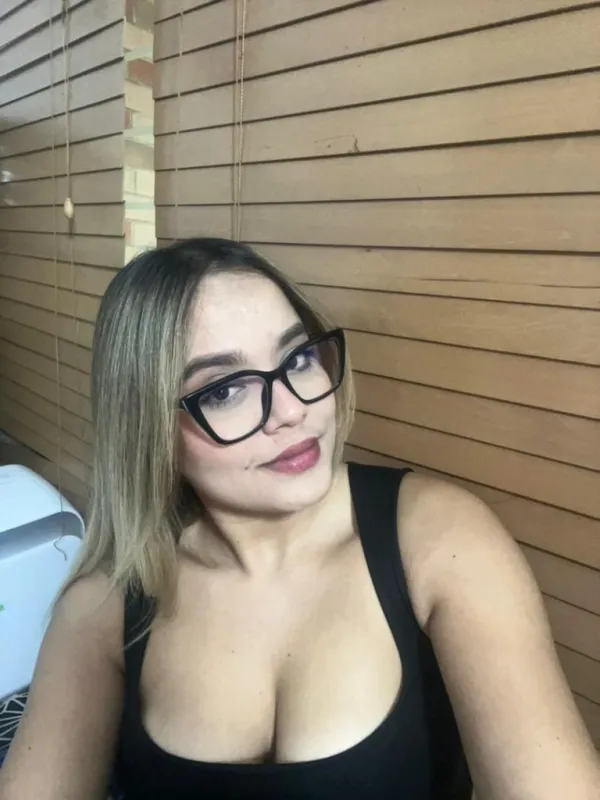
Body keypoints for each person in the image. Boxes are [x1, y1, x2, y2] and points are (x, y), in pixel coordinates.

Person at [0, 238, 597, 800]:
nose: (290, 409)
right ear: (147, 426)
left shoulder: (439, 541)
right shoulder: (104, 608)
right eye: (223, 390)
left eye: (299, 356)